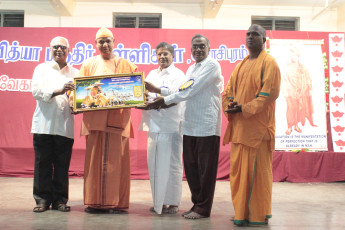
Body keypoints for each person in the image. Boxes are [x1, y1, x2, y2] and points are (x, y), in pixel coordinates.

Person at [145, 34, 223, 219]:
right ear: (190, 50)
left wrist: (161, 102)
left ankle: (203, 209)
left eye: (201, 46)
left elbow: (190, 90)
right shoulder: (191, 68)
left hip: (206, 126)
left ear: (209, 48)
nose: (198, 49)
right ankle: (196, 205)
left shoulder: (212, 65)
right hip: (188, 125)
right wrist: (159, 92)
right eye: (194, 47)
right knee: (192, 169)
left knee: (205, 170)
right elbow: (181, 90)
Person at [222, 24, 281, 227]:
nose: (250, 37)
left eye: (255, 34)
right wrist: (230, 105)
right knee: (238, 176)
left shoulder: (269, 62)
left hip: (258, 132)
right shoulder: (241, 64)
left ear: (264, 39)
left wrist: (244, 108)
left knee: (257, 177)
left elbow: (269, 94)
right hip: (239, 130)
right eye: (248, 34)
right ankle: (241, 212)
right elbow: (228, 90)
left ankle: (257, 215)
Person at [78, 27, 138, 214]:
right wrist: (76, 100)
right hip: (95, 122)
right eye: (100, 41)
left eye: (108, 41)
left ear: (114, 42)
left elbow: (137, 89)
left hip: (118, 122)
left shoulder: (126, 65)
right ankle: (95, 202)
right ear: (95, 45)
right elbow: (78, 92)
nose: (104, 45)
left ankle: (117, 203)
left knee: (118, 164)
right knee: (93, 163)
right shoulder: (88, 65)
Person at [138, 42, 186, 215]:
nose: (162, 57)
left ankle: (173, 202)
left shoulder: (179, 74)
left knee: (172, 164)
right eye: (159, 54)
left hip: (171, 125)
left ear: (173, 56)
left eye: (166, 54)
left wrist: (155, 89)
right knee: (155, 165)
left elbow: (176, 94)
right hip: (154, 125)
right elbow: (147, 96)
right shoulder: (151, 73)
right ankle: (159, 202)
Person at [31, 36, 78, 213]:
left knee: (62, 165)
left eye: (63, 47)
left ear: (68, 50)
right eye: (55, 47)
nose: (59, 50)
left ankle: (60, 200)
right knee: (42, 164)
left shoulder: (76, 72)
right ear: (50, 50)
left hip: (65, 126)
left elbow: (80, 97)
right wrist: (60, 90)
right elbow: (36, 91)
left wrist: (78, 105)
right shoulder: (41, 69)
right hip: (43, 124)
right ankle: (42, 200)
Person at [282, 45, 317, 135]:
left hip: (301, 92)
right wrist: (285, 91)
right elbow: (284, 80)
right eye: (292, 56)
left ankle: (296, 126)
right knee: (291, 109)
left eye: (296, 56)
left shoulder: (303, 67)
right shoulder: (286, 67)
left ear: (298, 56)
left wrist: (308, 88)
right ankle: (289, 127)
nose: (294, 58)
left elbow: (308, 78)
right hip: (290, 92)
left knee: (298, 109)